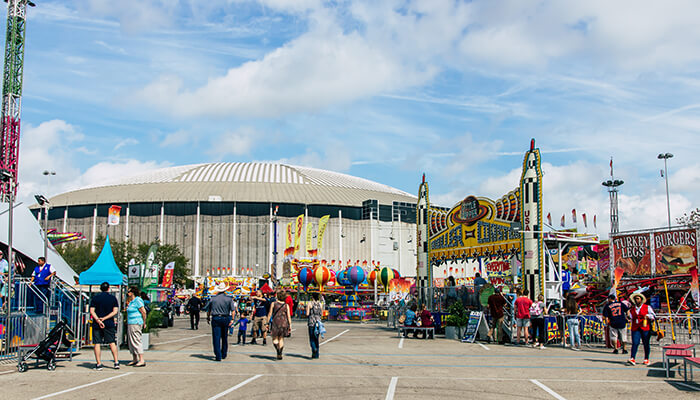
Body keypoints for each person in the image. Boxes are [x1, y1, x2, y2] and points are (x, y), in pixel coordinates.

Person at [90, 282, 120, 370]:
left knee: (97, 343)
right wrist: (105, 318)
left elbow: (92, 311)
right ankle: (116, 362)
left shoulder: (95, 298)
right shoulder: (113, 298)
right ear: (108, 288)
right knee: (112, 342)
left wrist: (98, 320)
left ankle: (99, 363)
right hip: (109, 322)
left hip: (97, 323)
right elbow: (115, 311)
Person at [206, 283, 237, 362]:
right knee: (224, 336)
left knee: (216, 337)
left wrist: (208, 317)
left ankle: (218, 355)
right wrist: (232, 319)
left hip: (216, 318)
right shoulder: (229, 299)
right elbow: (233, 310)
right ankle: (224, 353)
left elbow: (208, 310)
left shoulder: (213, 298)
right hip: (225, 317)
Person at [628, 292, 655, 366]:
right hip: (635, 327)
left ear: (641, 299)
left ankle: (646, 358)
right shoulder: (632, 309)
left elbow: (653, 316)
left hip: (645, 327)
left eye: (637, 298)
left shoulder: (647, 307)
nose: (636, 300)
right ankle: (632, 358)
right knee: (635, 343)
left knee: (646, 343)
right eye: (635, 299)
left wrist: (648, 316)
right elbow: (631, 317)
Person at [126, 286, 147, 367]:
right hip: (131, 322)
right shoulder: (132, 301)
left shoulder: (138, 300)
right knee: (131, 341)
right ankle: (134, 358)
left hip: (136, 322)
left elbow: (143, 311)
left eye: (129, 292)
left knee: (136, 340)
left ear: (132, 292)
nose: (128, 293)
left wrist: (144, 322)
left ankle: (141, 359)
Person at [268, 288, 292, 360]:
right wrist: (290, 325)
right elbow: (288, 316)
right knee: (281, 338)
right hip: (284, 323)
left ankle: (277, 350)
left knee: (275, 339)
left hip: (275, 323)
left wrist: (267, 323)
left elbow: (270, 314)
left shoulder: (273, 304)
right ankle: (280, 353)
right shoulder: (286, 305)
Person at [306, 292, 323, 359]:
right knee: (316, 338)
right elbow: (321, 313)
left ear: (312, 297)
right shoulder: (320, 304)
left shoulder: (310, 304)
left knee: (312, 338)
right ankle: (316, 355)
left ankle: (314, 349)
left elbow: (307, 313)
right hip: (318, 322)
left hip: (311, 322)